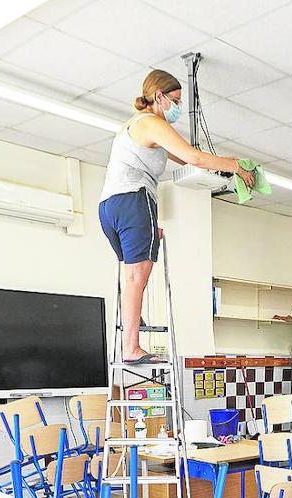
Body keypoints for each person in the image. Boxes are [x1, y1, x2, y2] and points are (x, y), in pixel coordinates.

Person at [99, 69, 256, 364]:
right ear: (159, 96)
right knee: (138, 275)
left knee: (133, 273)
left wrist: (218, 172)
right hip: (134, 200)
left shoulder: (133, 127)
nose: (178, 107)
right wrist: (237, 166)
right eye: (175, 100)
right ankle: (131, 346)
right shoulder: (151, 123)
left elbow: (184, 157)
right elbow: (194, 157)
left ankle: (133, 324)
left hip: (109, 207)